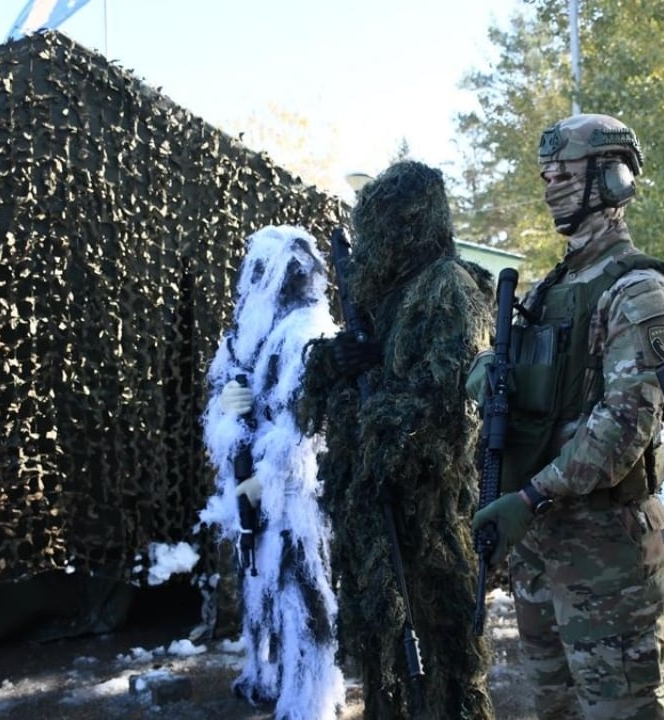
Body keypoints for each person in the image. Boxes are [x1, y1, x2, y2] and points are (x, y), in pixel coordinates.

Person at [471, 113, 664, 719]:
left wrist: (531, 496)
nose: (552, 186)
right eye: (547, 174)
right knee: (555, 706)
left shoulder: (640, 291)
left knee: (623, 707)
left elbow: (623, 429)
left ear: (614, 179)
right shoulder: (544, 291)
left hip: (607, 552)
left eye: (567, 172)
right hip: (543, 545)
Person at [297, 161, 496, 720]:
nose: (370, 240)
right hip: (378, 514)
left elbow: (448, 406)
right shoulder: (384, 297)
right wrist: (339, 362)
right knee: (385, 662)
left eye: (381, 224)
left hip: (432, 510)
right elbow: (326, 393)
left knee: (443, 661)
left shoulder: (446, 289)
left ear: (411, 222)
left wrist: (375, 388)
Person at [201, 225, 345, 719]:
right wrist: (228, 403)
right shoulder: (253, 333)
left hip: (297, 491)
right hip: (259, 484)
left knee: (301, 592)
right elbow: (227, 386)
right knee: (261, 582)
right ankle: (266, 677)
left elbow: (304, 426)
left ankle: (308, 699)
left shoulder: (307, 333)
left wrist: (265, 479)